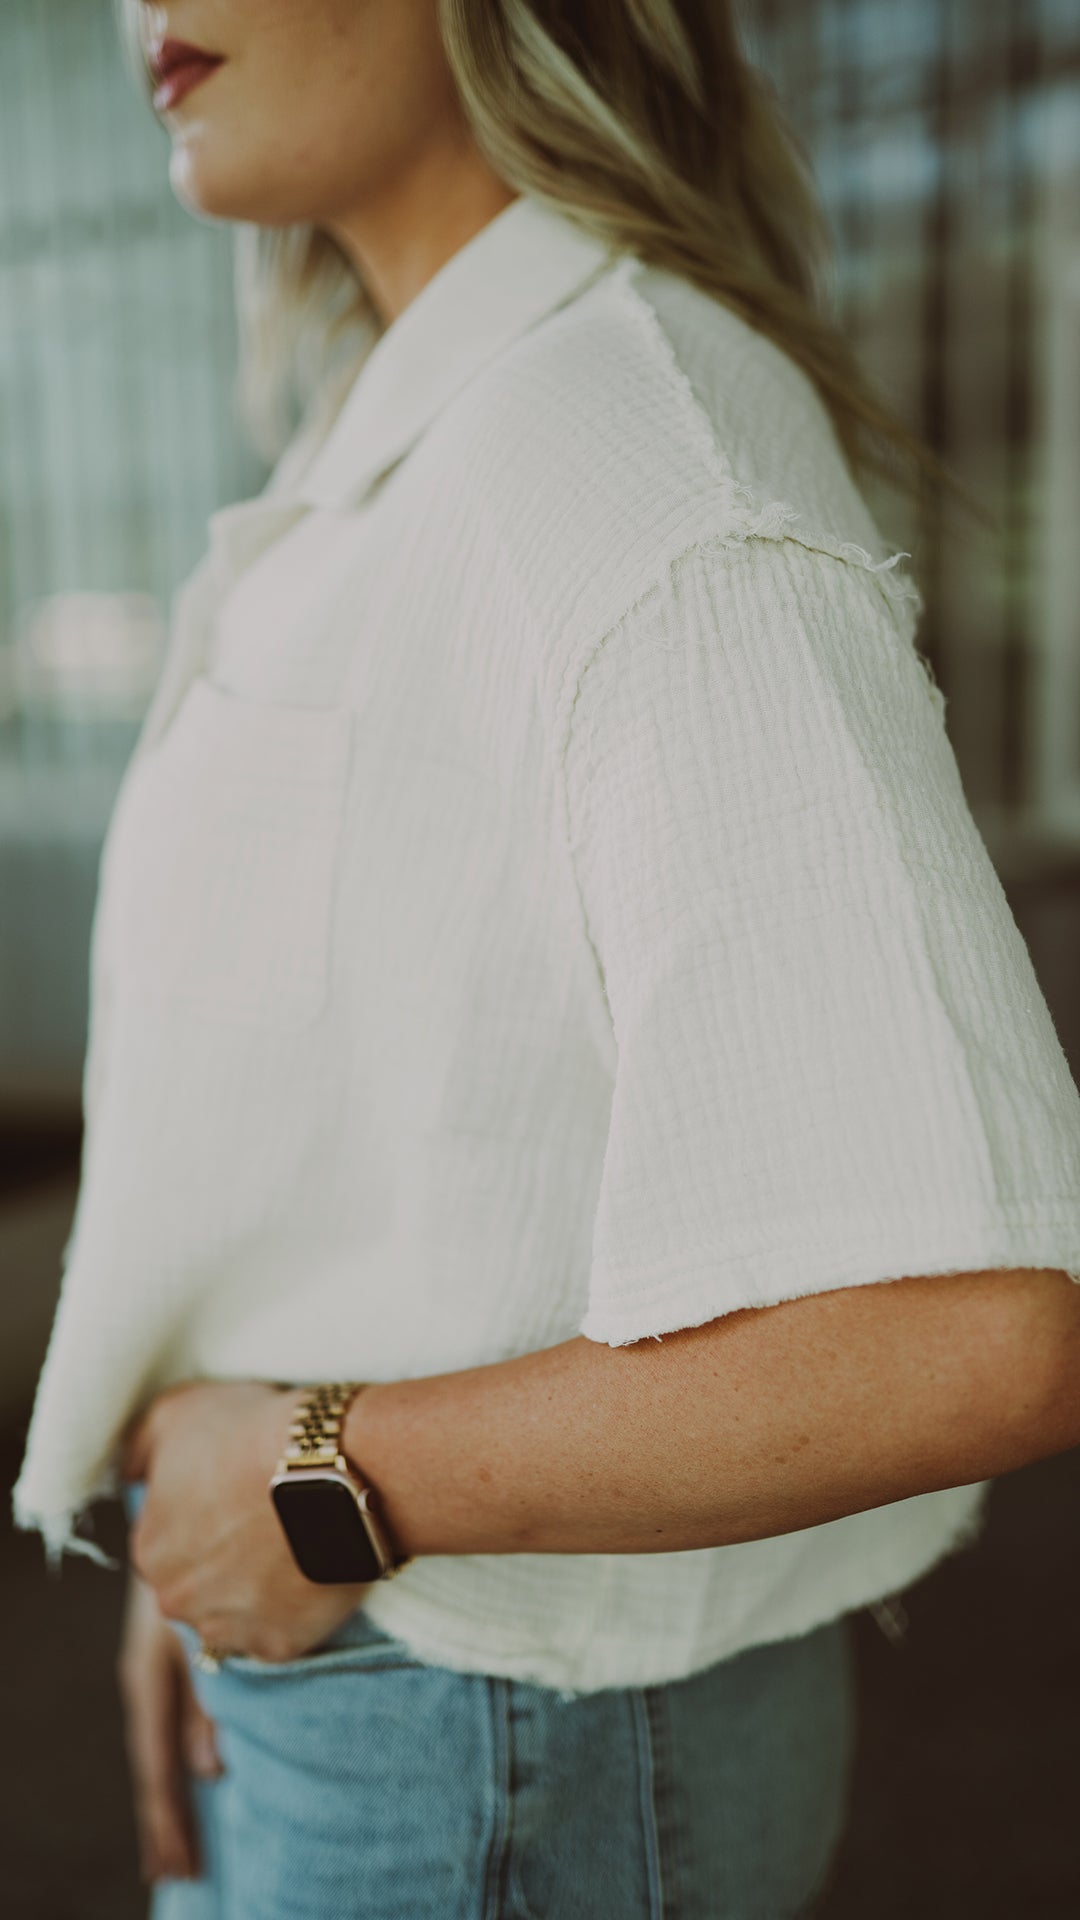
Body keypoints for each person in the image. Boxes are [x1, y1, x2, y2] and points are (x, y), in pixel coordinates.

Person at [12, 0, 1080, 1913]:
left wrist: (317, 1477)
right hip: (344, 1674)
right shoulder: (416, 429)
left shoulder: (621, 458)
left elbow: (966, 1323)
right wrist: (192, 1541)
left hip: (492, 1734)